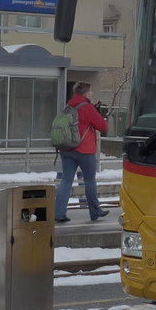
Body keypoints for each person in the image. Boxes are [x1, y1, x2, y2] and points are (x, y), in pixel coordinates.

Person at [54, 81, 110, 223]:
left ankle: (59, 213)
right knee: (89, 180)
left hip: (66, 149)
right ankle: (95, 211)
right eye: (90, 92)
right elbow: (102, 126)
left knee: (66, 180)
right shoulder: (88, 107)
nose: (91, 94)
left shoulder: (68, 106)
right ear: (86, 93)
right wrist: (100, 113)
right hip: (85, 150)